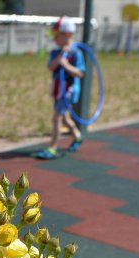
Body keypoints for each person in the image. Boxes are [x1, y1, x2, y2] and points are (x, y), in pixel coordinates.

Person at [37, 17, 85, 160]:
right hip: (57, 90)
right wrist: (60, 58)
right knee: (63, 118)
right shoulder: (55, 52)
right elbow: (50, 67)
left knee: (56, 118)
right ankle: (77, 136)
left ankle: (52, 147)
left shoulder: (76, 53)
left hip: (69, 90)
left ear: (67, 35)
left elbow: (80, 73)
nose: (54, 38)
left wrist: (66, 65)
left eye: (56, 35)